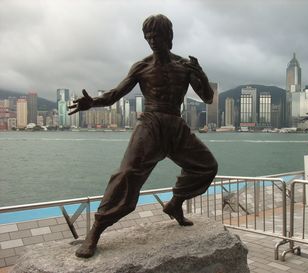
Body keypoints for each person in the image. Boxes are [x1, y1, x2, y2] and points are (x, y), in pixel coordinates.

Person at [68, 14, 218, 258]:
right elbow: (115, 94)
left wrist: (200, 74)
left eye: (156, 35)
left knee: (207, 167)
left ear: (169, 36)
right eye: (147, 36)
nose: (151, 40)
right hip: (150, 124)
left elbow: (208, 98)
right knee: (126, 175)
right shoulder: (142, 67)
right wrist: (92, 102)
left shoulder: (184, 66)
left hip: (175, 125)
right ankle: (95, 231)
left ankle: (175, 203)